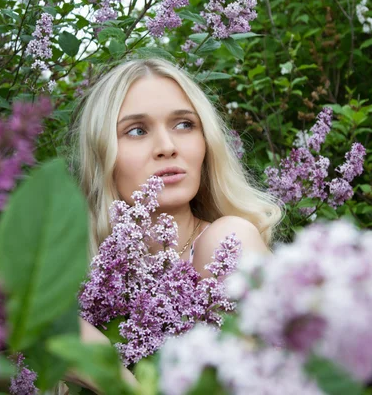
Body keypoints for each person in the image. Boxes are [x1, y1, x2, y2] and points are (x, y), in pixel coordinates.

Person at [66, 57, 282, 392]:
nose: (167, 147)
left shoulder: (228, 242)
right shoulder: (83, 286)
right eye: (136, 130)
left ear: (206, 142)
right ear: (103, 154)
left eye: (184, 125)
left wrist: (108, 372)